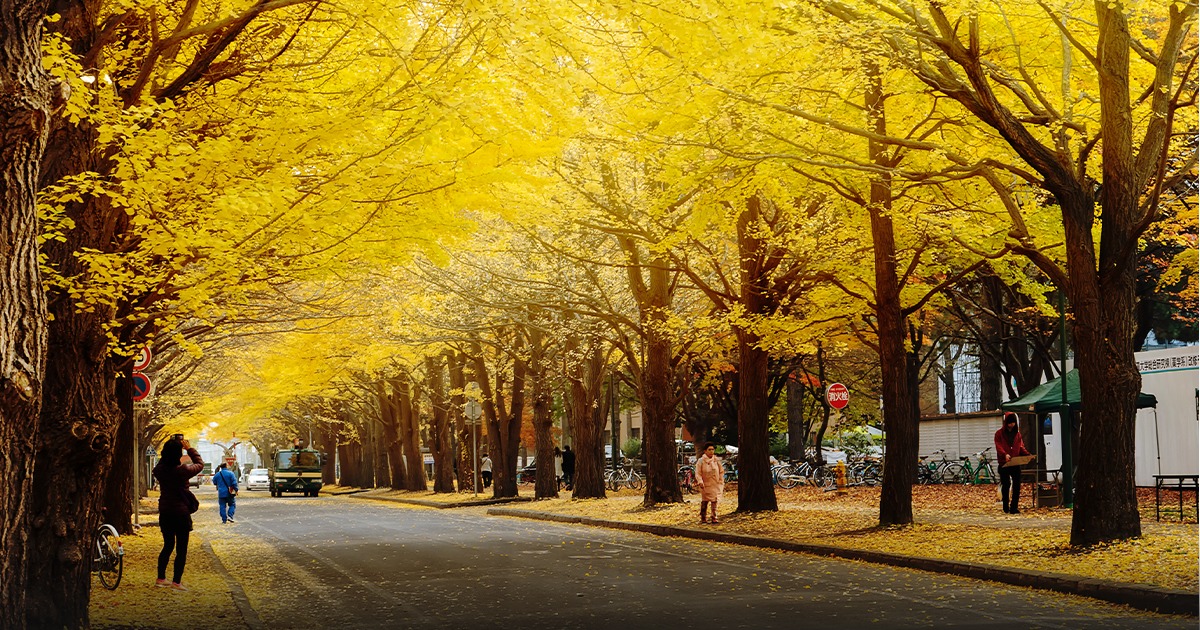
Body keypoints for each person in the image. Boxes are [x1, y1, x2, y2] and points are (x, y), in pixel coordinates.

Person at [152, 435, 203, 591]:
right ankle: (176, 582)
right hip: (181, 513)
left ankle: (161, 578)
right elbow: (200, 464)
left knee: (168, 545)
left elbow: (163, 461)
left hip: (165, 511)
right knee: (181, 548)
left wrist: (168, 448)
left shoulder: (159, 470)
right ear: (179, 455)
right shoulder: (183, 471)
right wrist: (189, 448)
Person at [995, 412, 1032, 514]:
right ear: (1006, 423)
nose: (1011, 425)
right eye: (1009, 423)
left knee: (1017, 486)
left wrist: (1027, 455)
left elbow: (1020, 447)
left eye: (1013, 423)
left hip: (1015, 462)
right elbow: (999, 447)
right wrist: (1004, 454)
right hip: (1004, 463)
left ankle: (1014, 507)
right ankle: (1005, 505)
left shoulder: (1017, 434)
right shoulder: (999, 434)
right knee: (1006, 485)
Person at [694, 442, 725, 524]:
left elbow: (721, 471)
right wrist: (700, 481)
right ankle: (703, 517)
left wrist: (721, 480)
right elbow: (698, 473)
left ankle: (714, 516)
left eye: (712, 449)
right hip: (705, 484)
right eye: (709, 450)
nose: (711, 451)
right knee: (705, 500)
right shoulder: (701, 461)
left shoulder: (716, 460)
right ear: (705, 451)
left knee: (715, 500)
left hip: (715, 483)